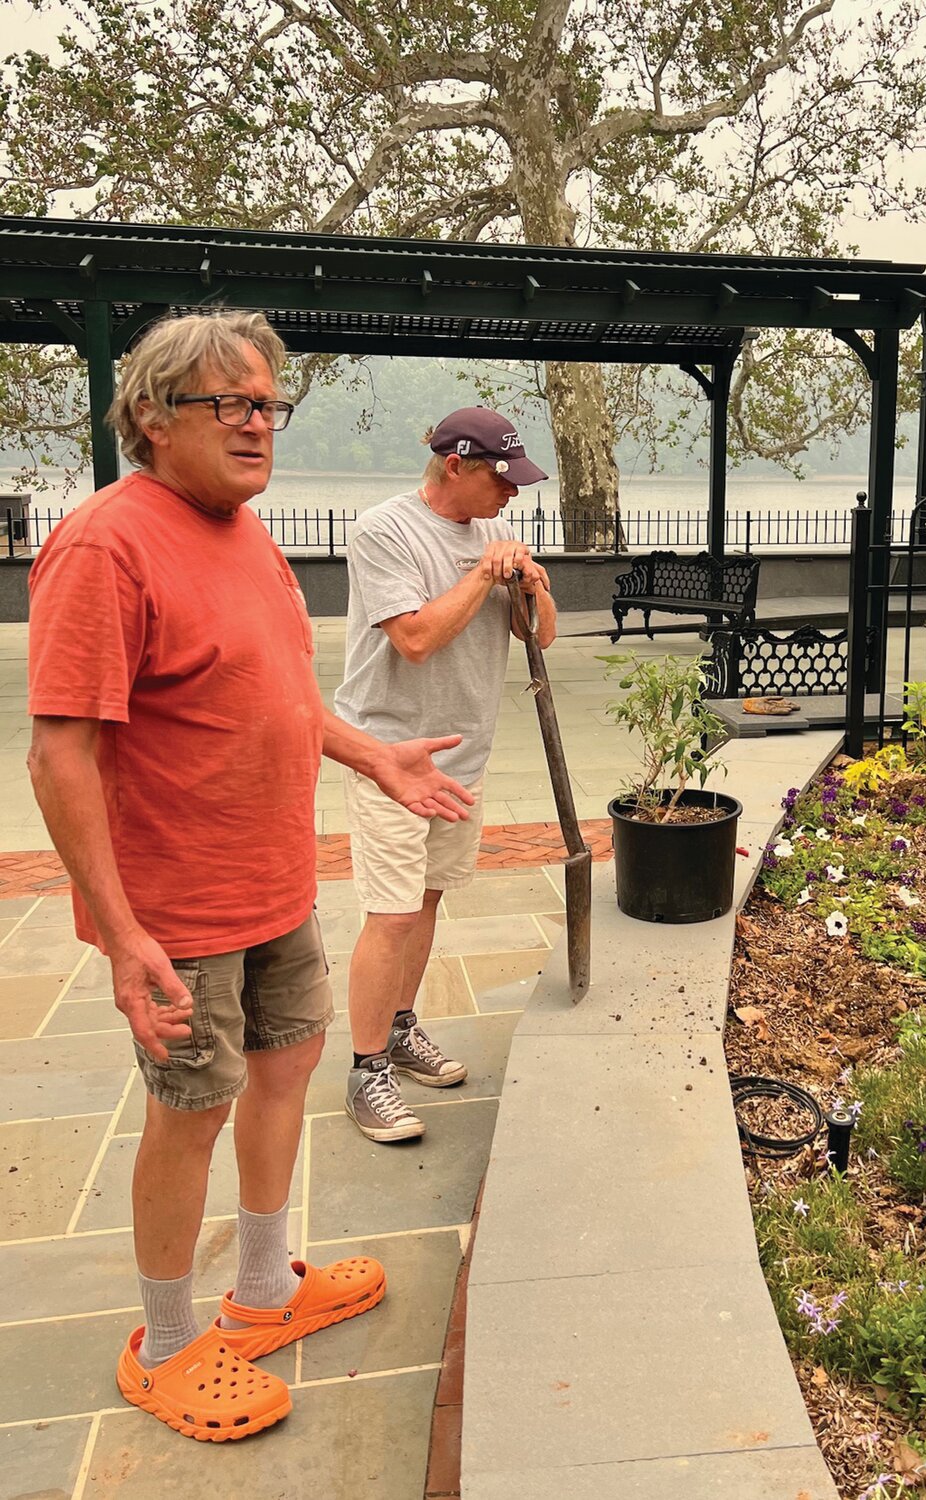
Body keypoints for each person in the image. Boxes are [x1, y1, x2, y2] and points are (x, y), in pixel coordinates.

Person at [26, 311, 475, 1443]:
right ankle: (169, 1345)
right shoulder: (104, 544)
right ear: (148, 417)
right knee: (191, 1111)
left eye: (269, 404)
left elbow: (274, 692)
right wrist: (121, 932)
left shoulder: (244, 535)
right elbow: (60, 751)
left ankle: (265, 1291)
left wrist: (371, 752)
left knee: (287, 1073)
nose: (256, 425)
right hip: (176, 907)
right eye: (227, 404)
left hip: (273, 885)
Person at [335, 408, 556, 1142]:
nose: (512, 496)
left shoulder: (495, 536)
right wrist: (481, 576)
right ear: (455, 465)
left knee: (426, 903)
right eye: (502, 479)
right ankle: (366, 1071)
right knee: (391, 911)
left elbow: (540, 636)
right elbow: (417, 638)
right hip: (390, 754)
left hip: (463, 758)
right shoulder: (382, 532)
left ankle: (399, 1028)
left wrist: (530, 585)